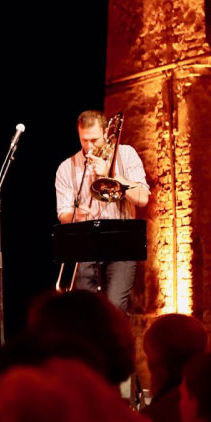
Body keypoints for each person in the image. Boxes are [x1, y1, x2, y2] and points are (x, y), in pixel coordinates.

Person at [55, 109, 149, 312]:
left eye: (94, 140)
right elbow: (63, 214)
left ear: (106, 133)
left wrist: (111, 174)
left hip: (121, 245)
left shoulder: (126, 154)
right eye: (84, 140)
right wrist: (80, 214)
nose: (89, 146)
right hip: (85, 247)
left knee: (115, 308)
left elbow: (142, 198)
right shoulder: (66, 167)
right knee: (86, 310)